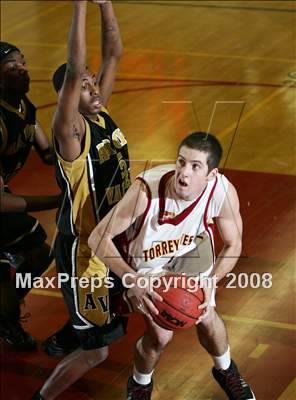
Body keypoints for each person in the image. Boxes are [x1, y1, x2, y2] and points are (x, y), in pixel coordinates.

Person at [88, 132, 256, 400]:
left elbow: (234, 244)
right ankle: (140, 384)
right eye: (181, 162)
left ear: (211, 175)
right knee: (160, 338)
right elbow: (98, 237)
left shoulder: (222, 192)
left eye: (195, 166)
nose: (184, 173)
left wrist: (212, 280)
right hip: (149, 258)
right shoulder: (146, 192)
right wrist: (132, 280)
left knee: (207, 314)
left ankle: (227, 371)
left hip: (191, 249)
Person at [32, 1, 131, 399]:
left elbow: (113, 52)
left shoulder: (100, 113)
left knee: (126, 305)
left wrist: (105, 5)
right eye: (85, 86)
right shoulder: (70, 131)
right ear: (68, 96)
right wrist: (79, 6)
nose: (93, 89)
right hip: (86, 254)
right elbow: (75, 69)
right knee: (98, 353)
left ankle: (73, 328)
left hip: (115, 238)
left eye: (95, 83)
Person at [0, 41, 60, 351]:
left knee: (40, 254)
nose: (22, 69)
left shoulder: (24, 107)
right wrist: (57, 201)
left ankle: (4, 305)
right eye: (11, 67)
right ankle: (6, 320)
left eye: (22, 62)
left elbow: (49, 154)